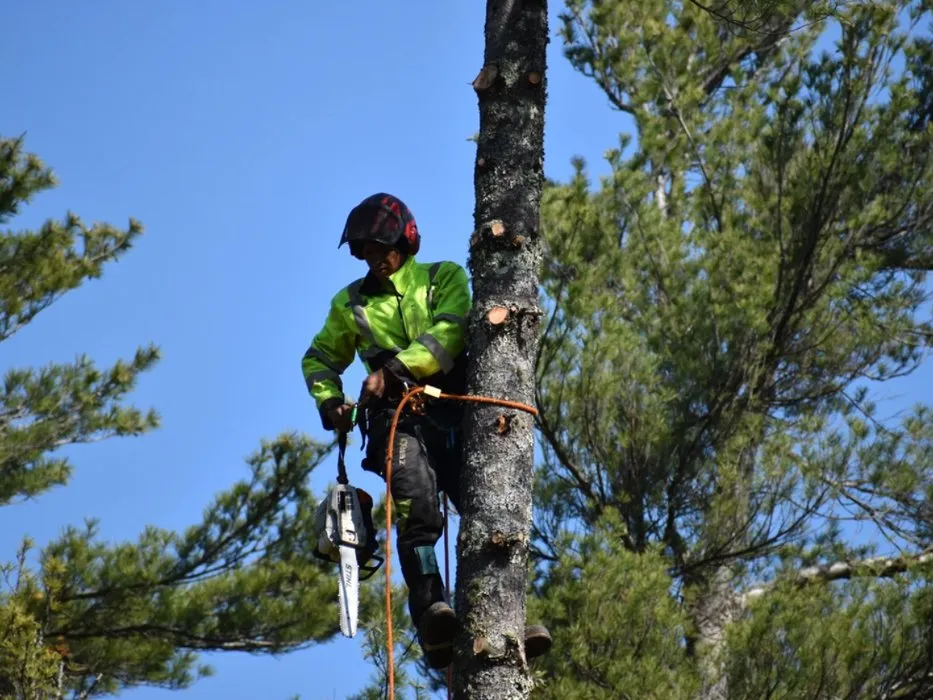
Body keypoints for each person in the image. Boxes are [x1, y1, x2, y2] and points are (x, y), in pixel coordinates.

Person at [301, 192, 551, 669]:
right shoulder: (351, 303)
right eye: (365, 253)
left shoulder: (442, 278)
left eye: (381, 250)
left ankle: (509, 622)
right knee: (417, 508)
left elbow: (451, 329)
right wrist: (330, 401)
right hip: (398, 423)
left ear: (404, 242)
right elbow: (318, 359)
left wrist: (392, 370)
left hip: (456, 414)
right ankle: (433, 617)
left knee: (491, 511)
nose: (374, 260)